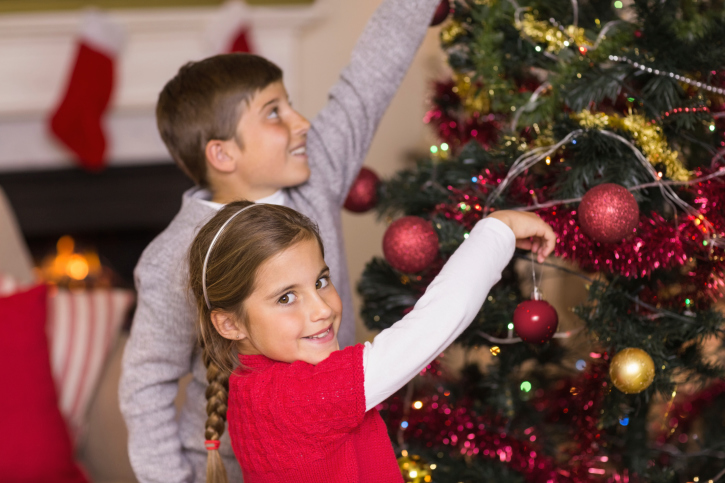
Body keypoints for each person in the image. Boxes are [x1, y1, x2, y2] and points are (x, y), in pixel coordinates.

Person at [119, 1, 450, 480]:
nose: (302, 122)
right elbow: (145, 385)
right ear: (223, 153)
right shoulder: (171, 257)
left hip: (338, 447)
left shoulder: (312, 179)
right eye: (274, 113)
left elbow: (364, 86)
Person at [188, 201, 556, 482]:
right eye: (286, 297)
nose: (322, 309)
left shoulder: (252, 381)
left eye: (320, 281)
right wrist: (498, 229)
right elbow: (435, 321)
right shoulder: (297, 398)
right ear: (229, 323)